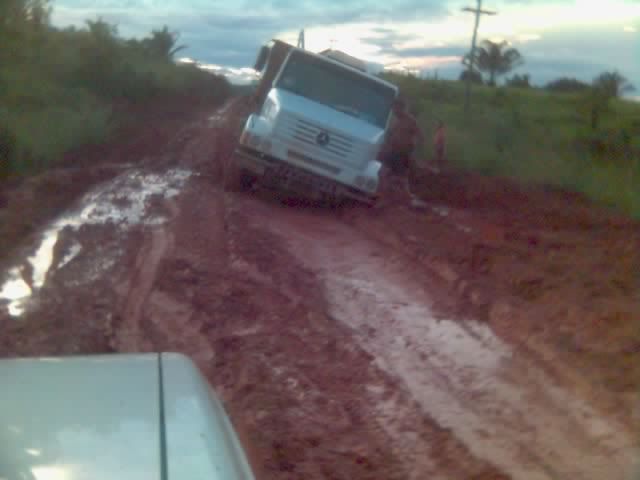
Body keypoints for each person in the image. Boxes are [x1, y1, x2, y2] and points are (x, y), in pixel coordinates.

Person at [378, 97, 426, 207]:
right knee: (382, 174)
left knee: (402, 179)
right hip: (392, 152)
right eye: (393, 109)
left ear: (402, 108)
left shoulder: (411, 121)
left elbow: (421, 137)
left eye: (396, 109)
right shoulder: (394, 121)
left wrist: (414, 149)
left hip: (403, 154)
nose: (394, 111)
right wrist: (384, 148)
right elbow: (388, 136)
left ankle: (408, 200)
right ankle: (384, 198)